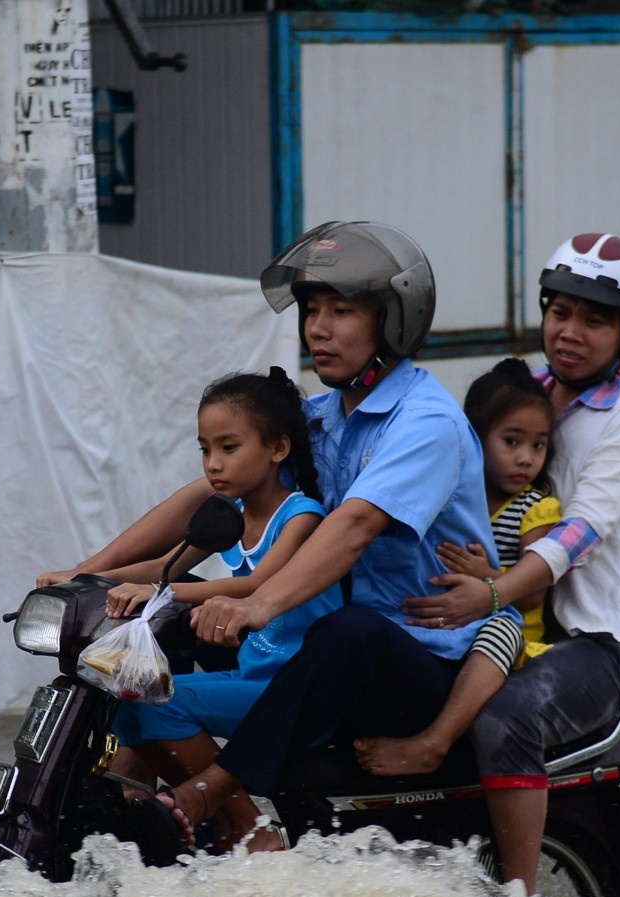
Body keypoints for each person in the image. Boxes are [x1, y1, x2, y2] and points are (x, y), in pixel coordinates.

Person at [53, 221, 520, 838]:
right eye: (312, 310)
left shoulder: (424, 422)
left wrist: (257, 605)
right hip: (335, 650)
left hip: (428, 659)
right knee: (145, 662)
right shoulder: (325, 419)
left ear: (393, 319)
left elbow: (354, 526)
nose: (318, 329)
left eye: (343, 311)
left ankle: (223, 800)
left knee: (349, 629)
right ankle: (130, 805)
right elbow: (217, 485)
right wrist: (91, 570)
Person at [401, 233, 620, 895]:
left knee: (503, 720)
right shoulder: (520, 397)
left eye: (594, 320)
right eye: (559, 312)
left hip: (593, 643)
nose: (569, 332)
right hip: (508, 616)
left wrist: (488, 595)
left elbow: (573, 538)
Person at [94, 368, 341, 848]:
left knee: (159, 699)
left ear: (277, 449)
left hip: (295, 690)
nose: (214, 464)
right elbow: (163, 566)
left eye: (229, 448)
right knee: (129, 698)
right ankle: (219, 821)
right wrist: (87, 579)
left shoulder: (302, 514)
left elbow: (257, 583)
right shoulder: (230, 517)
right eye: (205, 450)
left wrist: (164, 594)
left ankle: (252, 826)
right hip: (252, 677)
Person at [353, 358, 560, 776]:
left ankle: (436, 742)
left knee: (502, 627)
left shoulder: (536, 508)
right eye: (512, 441)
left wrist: (490, 579)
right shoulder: (456, 496)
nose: (525, 459)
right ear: (475, 438)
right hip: (455, 624)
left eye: (538, 446)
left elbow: (536, 592)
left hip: (511, 633)